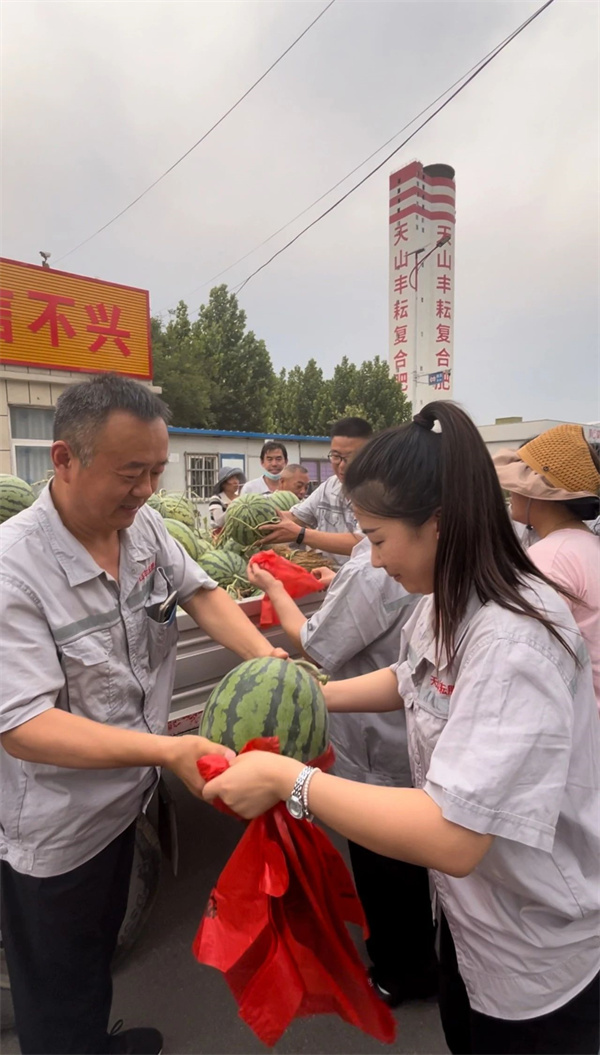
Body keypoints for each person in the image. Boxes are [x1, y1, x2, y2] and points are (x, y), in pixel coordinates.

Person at [204, 401, 600, 1055]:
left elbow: (454, 835)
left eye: (378, 538)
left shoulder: (513, 641)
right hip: (475, 926)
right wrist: (308, 696)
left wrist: (289, 780)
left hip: (535, 952)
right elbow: (408, 678)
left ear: (438, 522)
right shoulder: (445, 598)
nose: (373, 560)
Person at [0, 375, 286, 1055]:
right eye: (131, 473)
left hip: (126, 804)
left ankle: (95, 1044)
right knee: (57, 989)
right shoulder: (14, 569)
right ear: (65, 459)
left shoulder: (145, 527)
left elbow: (202, 593)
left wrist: (267, 661)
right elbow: (23, 727)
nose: (147, 490)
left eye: (157, 472)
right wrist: (168, 751)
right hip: (60, 827)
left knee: (95, 957)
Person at [247, 541, 436, 1005]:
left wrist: (274, 587)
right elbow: (401, 673)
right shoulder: (427, 558)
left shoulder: (373, 570)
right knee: (413, 858)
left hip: (374, 745)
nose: (376, 552)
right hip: (407, 737)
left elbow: (315, 643)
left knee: (384, 862)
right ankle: (419, 958)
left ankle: (400, 973)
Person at [494, 425, 600, 711]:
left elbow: (524, 655)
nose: (511, 492)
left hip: (574, 718)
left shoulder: (548, 558)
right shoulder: (586, 544)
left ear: (537, 492)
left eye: (517, 483)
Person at [260, 417, 372, 565]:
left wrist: (301, 534)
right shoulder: (330, 486)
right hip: (329, 574)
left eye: (351, 458)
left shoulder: (379, 491)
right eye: (336, 456)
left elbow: (363, 543)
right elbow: (296, 517)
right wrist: (253, 516)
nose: (342, 466)